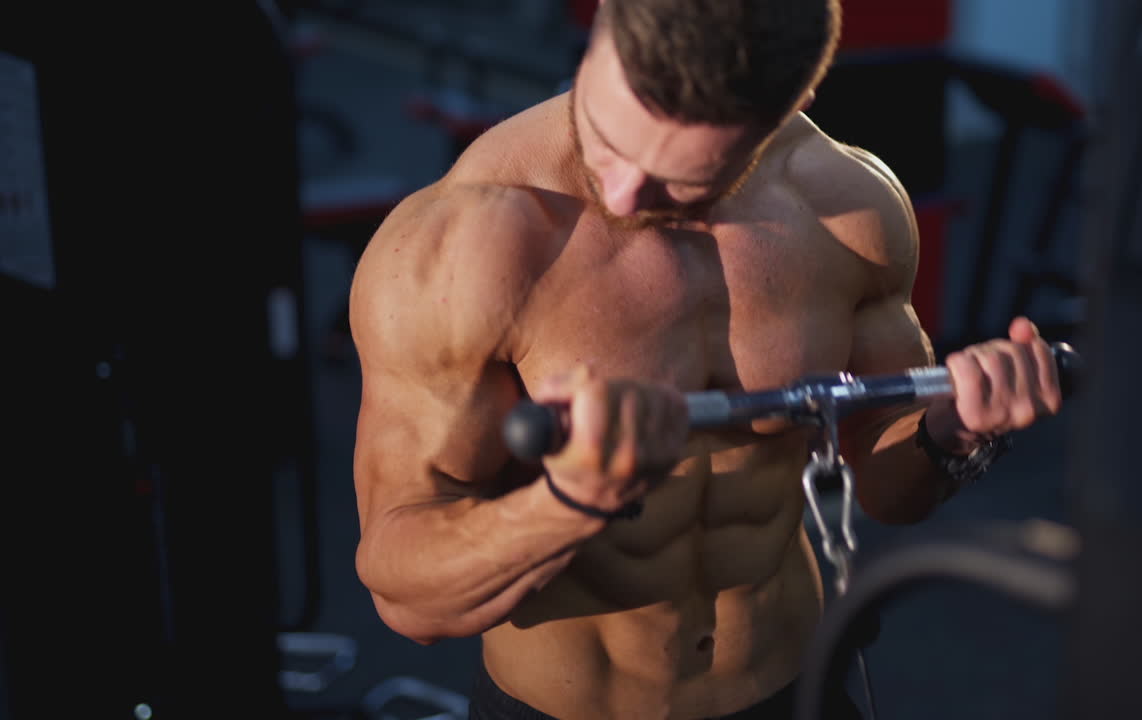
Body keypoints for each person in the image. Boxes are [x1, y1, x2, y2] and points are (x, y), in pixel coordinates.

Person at [348, 1, 1063, 718]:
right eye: (607, 136)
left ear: (791, 105)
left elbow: (889, 488)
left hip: (790, 687)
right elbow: (403, 596)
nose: (623, 193)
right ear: (599, 34)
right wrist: (566, 504)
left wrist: (955, 432)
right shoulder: (463, 247)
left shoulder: (849, 211)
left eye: (679, 180)